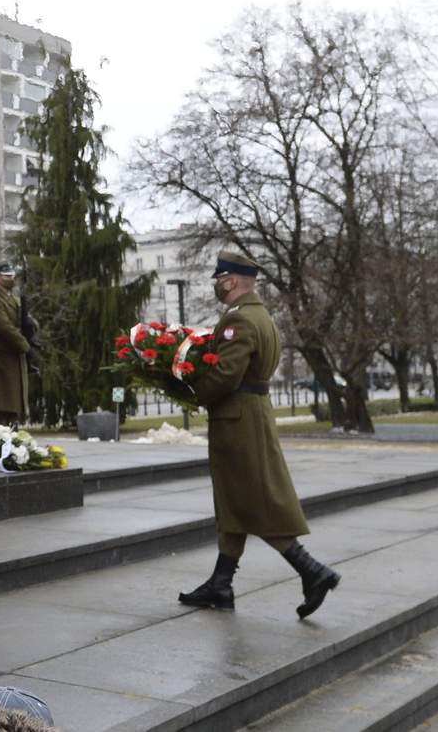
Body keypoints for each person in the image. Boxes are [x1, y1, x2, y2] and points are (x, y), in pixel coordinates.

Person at [178, 250, 340, 617]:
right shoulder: (262, 316)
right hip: (252, 415)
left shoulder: (240, 322)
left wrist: (192, 392)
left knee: (252, 501)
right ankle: (221, 583)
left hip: (237, 420)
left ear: (231, 281)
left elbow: (226, 375)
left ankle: (312, 570)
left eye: (220, 280)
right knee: (237, 499)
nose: (218, 286)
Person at [0, 263, 32, 425]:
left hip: (14, 357)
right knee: (2, 406)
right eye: (7, 276)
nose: (12, 279)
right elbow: (5, 328)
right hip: (3, 360)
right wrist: (25, 346)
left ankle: (12, 446)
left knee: (13, 409)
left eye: (12, 276)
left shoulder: (11, 299)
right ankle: (0, 446)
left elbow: (22, 322)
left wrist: (31, 325)